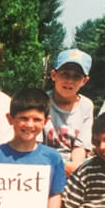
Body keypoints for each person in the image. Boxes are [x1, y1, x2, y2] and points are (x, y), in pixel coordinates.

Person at [42, 49, 94, 177]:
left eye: (76, 76)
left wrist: (74, 166)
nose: (70, 81)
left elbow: (80, 147)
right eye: (65, 74)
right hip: (43, 161)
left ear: (84, 81)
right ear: (53, 75)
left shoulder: (86, 105)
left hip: (73, 164)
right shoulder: (41, 101)